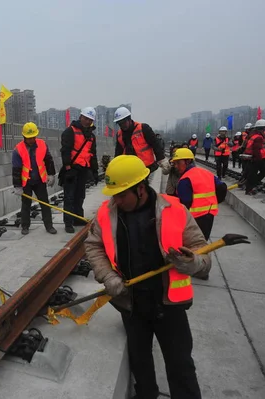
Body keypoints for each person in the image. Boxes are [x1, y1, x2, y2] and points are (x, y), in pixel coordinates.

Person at [85, 154, 210, 399]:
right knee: (140, 364)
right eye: (114, 194)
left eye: (122, 195)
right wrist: (107, 276)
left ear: (141, 189)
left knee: (181, 366)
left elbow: (204, 257)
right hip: (131, 305)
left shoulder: (175, 210)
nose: (116, 200)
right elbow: (93, 246)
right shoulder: (106, 213)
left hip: (169, 306)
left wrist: (192, 263)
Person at [12, 122, 57, 235]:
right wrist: (17, 186)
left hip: (39, 181)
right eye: (29, 138)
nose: (31, 140)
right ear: (24, 137)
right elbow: (16, 169)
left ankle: (49, 226)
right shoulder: (18, 149)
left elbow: (48, 160)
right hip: (26, 182)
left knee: (45, 203)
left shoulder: (42, 144)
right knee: (26, 205)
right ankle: (25, 226)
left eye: (33, 137)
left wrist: (51, 175)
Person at [60, 107, 99, 234]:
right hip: (71, 169)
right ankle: (68, 222)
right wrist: (67, 167)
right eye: (86, 118)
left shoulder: (91, 136)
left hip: (83, 169)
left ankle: (77, 218)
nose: (87, 121)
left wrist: (94, 171)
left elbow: (93, 154)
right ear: (81, 117)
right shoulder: (70, 131)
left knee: (80, 196)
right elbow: (65, 150)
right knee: (69, 197)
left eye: (90, 120)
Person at [170, 148, 224, 242]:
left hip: (193, 219)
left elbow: (185, 203)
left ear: (188, 161)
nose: (176, 166)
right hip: (209, 215)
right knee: (203, 241)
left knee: (193, 245)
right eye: (174, 163)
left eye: (178, 163)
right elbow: (222, 187)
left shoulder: (185, 180)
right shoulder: (205, 172)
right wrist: (214, 201)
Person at [113, 106, 168, 183]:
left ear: (129, 119)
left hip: (146, 166)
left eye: (124, 122)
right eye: (120, 124)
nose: (122, 125)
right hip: (130, 168)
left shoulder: (143, 128)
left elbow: (155, 144)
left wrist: (161, 159)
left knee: (142, 187)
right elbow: (118, 153)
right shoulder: (119, 134)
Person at [243, 119, 265, 195]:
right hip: (255, 158)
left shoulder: (253, 135)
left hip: (251, 157)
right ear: (263, 128)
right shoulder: (258, 137)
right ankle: (250, 187)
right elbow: (256, 149)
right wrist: (258, 159)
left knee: (252, 173)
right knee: (263, 171)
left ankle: (250, 187)